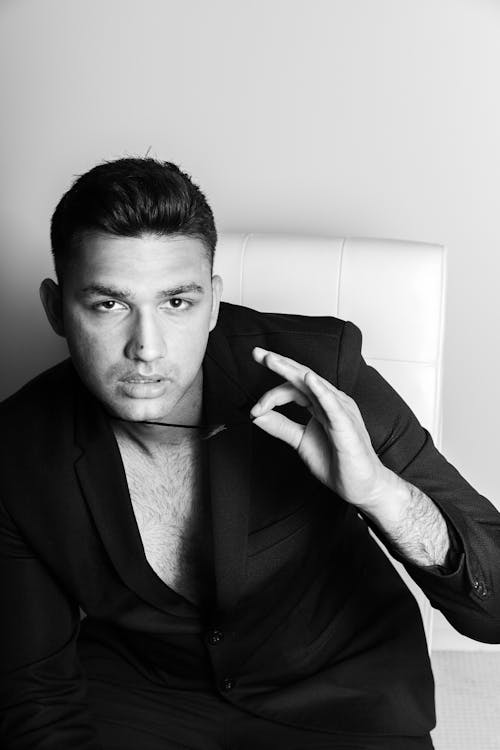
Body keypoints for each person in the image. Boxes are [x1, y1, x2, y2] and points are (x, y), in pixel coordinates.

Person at [0, 158, 498, 750]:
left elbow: (493, 613)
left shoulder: (319, 368)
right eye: (109, 304)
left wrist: (381, 495)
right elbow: (36, 694)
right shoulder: (17, 451)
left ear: (212, 302)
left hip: (339, 700)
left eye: (176, 303)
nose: (146, 348)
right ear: (57, 309)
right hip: (146, 704)